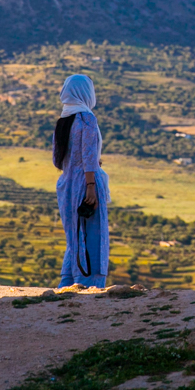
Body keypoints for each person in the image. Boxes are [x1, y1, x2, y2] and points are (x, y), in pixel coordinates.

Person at [52, 74, 110, 289]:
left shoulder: (63, 121)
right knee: (93, 236)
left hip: (66, 185)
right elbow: (87, 157)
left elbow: (57, 159)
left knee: (74, 237)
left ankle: (67, 284)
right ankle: (89, 285)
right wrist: (91, 187)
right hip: (86, 185)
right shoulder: (87, 119)